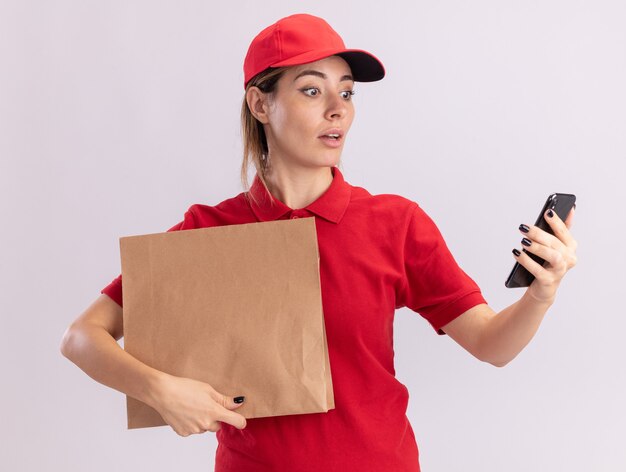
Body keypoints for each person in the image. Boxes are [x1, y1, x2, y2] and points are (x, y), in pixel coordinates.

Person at [60, 13, 577, 472]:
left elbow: (491, 345)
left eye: (347, 91)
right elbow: (82, 337)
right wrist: (161, 389)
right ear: (261, 103)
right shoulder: (209, 231)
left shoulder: (395, 223)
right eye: (312, 90)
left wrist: (539, 294)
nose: (338, 109)